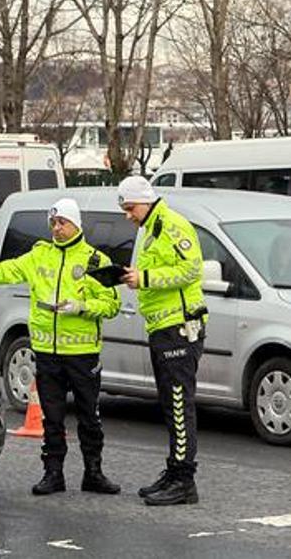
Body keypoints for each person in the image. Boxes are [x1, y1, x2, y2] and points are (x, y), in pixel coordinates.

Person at [0, 198, 122, 496]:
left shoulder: (94, 260)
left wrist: (80, 307)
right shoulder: (40, 255)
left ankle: (94, 473)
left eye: (62, 222)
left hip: (82, 353)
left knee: (89, 415)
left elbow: (112, 305)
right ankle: (53, 474)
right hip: (47, 351)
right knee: (52, 416)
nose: (56, 228)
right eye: (53, 222)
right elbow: (10, 270)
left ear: (75, 224)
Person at [117, 176, 206, 506]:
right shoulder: (150, 228)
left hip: (180, 326)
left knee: (180, 404)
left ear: (144, 200)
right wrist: (135, 278)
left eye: (129, 208)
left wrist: (146, 278)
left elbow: (191, 270)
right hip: (162, 327)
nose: (128, 215)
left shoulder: (171, 224)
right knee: (170, 405)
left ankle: (184, 480)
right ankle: (174, 470)